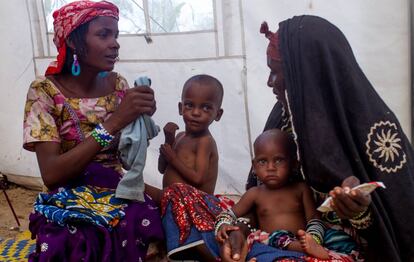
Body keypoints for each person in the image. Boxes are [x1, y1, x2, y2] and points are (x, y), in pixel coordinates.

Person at [220, 15, 414, 262]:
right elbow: (258, 198)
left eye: (276, 73)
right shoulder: (283, 119)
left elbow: (399, 226)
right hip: (286, 242)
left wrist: (359, 214)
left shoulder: (374, 133)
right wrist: (239, 232)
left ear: (308, 76)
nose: (270, 82)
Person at [23, 1, 163, 261]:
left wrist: (141, 122)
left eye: (116, 35)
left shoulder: (118, 84)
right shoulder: (44, 91)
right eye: (103, 34)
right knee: (78, 239)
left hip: (117, 186)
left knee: (159, 215)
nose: (115, 43)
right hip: (67, 195)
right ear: (74, 41)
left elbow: (127, 157)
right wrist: (114, 123)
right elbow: (52, 175)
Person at [217, 129, 330, 259]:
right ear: (254, 166)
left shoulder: (301, 189)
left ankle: (310, 246)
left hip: (303, 239)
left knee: (336, 237)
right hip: (273, 242)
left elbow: (314, 217)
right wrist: (224, 224)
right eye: (263, 161)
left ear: (294, 164)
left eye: (278, 160)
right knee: (275, 237)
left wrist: (313, 238)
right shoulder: (255, 193)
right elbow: (229, 214)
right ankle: (303, 248)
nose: (270, 167)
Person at [158, 74, 227, 261]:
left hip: (198, 204)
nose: (196, 112)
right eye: (190, 105)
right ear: (181, 108)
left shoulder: (205, 141)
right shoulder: (180, 137)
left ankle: (195, 250)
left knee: (173, 191)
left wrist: (172, 158)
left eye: (206, 107)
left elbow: (198, 179)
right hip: (173, 199)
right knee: (139, 189)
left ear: (217, 114)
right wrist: (169, 140)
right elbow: (161, 169)